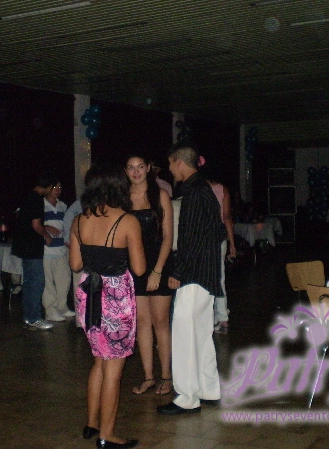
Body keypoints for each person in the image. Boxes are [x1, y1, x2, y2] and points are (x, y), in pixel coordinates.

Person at [69, 162, 145, 449]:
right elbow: (139, 268)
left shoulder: (79, 220)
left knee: (99, 361)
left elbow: (75, 264)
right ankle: (107, 435)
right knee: (114, 368)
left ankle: (91, 423)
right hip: (115, 296)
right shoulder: (127, 221)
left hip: (89, 293)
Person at [158, 143, 222, 416]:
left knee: (185, 336)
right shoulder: (204, 190)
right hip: (206, 274)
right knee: (202, 335)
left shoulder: (193, 192)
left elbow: (190, 239)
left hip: (193, 276)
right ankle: (209, 389)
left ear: (179, 162)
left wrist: (178, 272)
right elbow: (217, 231)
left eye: (171, 164)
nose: (170, 169)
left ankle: (187, 398)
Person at [125, 154, 175, 396]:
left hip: (159, 265)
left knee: (161, 322)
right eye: (131, 168)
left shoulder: (160, 195)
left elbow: (168, 237)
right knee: (142, 323)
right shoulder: (122, 198)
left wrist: (157, 270)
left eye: (140, 167)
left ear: (148, 169)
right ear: (126, 171)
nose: (136, 172)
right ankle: (148, 377)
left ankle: (167, 376)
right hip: (134, 267)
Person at [12, 172, 57, 330]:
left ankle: (28, 317)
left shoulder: (27, 196)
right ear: (48, 186)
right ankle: (34, 317)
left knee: (29, 282)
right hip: (31, 246)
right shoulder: (37, 199)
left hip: (24, 245)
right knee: (37, 282)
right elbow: (36, 224)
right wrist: (47, 236)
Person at [203, 167, 237, 334]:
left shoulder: (196, 188)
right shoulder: (222, 189)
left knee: (204, 278)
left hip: (202, 238)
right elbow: (227, 217)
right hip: (218, 237)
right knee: (219, 276)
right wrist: (232, 243)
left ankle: (211, 317)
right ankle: (222, 317)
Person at [42, 181, 74, 321]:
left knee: (64, 280)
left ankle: (62, 307)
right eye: (54, 187)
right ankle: (51, 311)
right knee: (48, 283)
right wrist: (47, 228)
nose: (57, 190)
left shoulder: (63, 206)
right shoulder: (41, 205)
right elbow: (34, 223)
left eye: (60, 187)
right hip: (46, 250)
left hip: (61, 248)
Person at [63, 198, 83, 327]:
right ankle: (80, 321)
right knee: (79, 283)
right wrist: (68, 239)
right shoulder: (84, 201)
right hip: (82, 249)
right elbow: (69, 215)